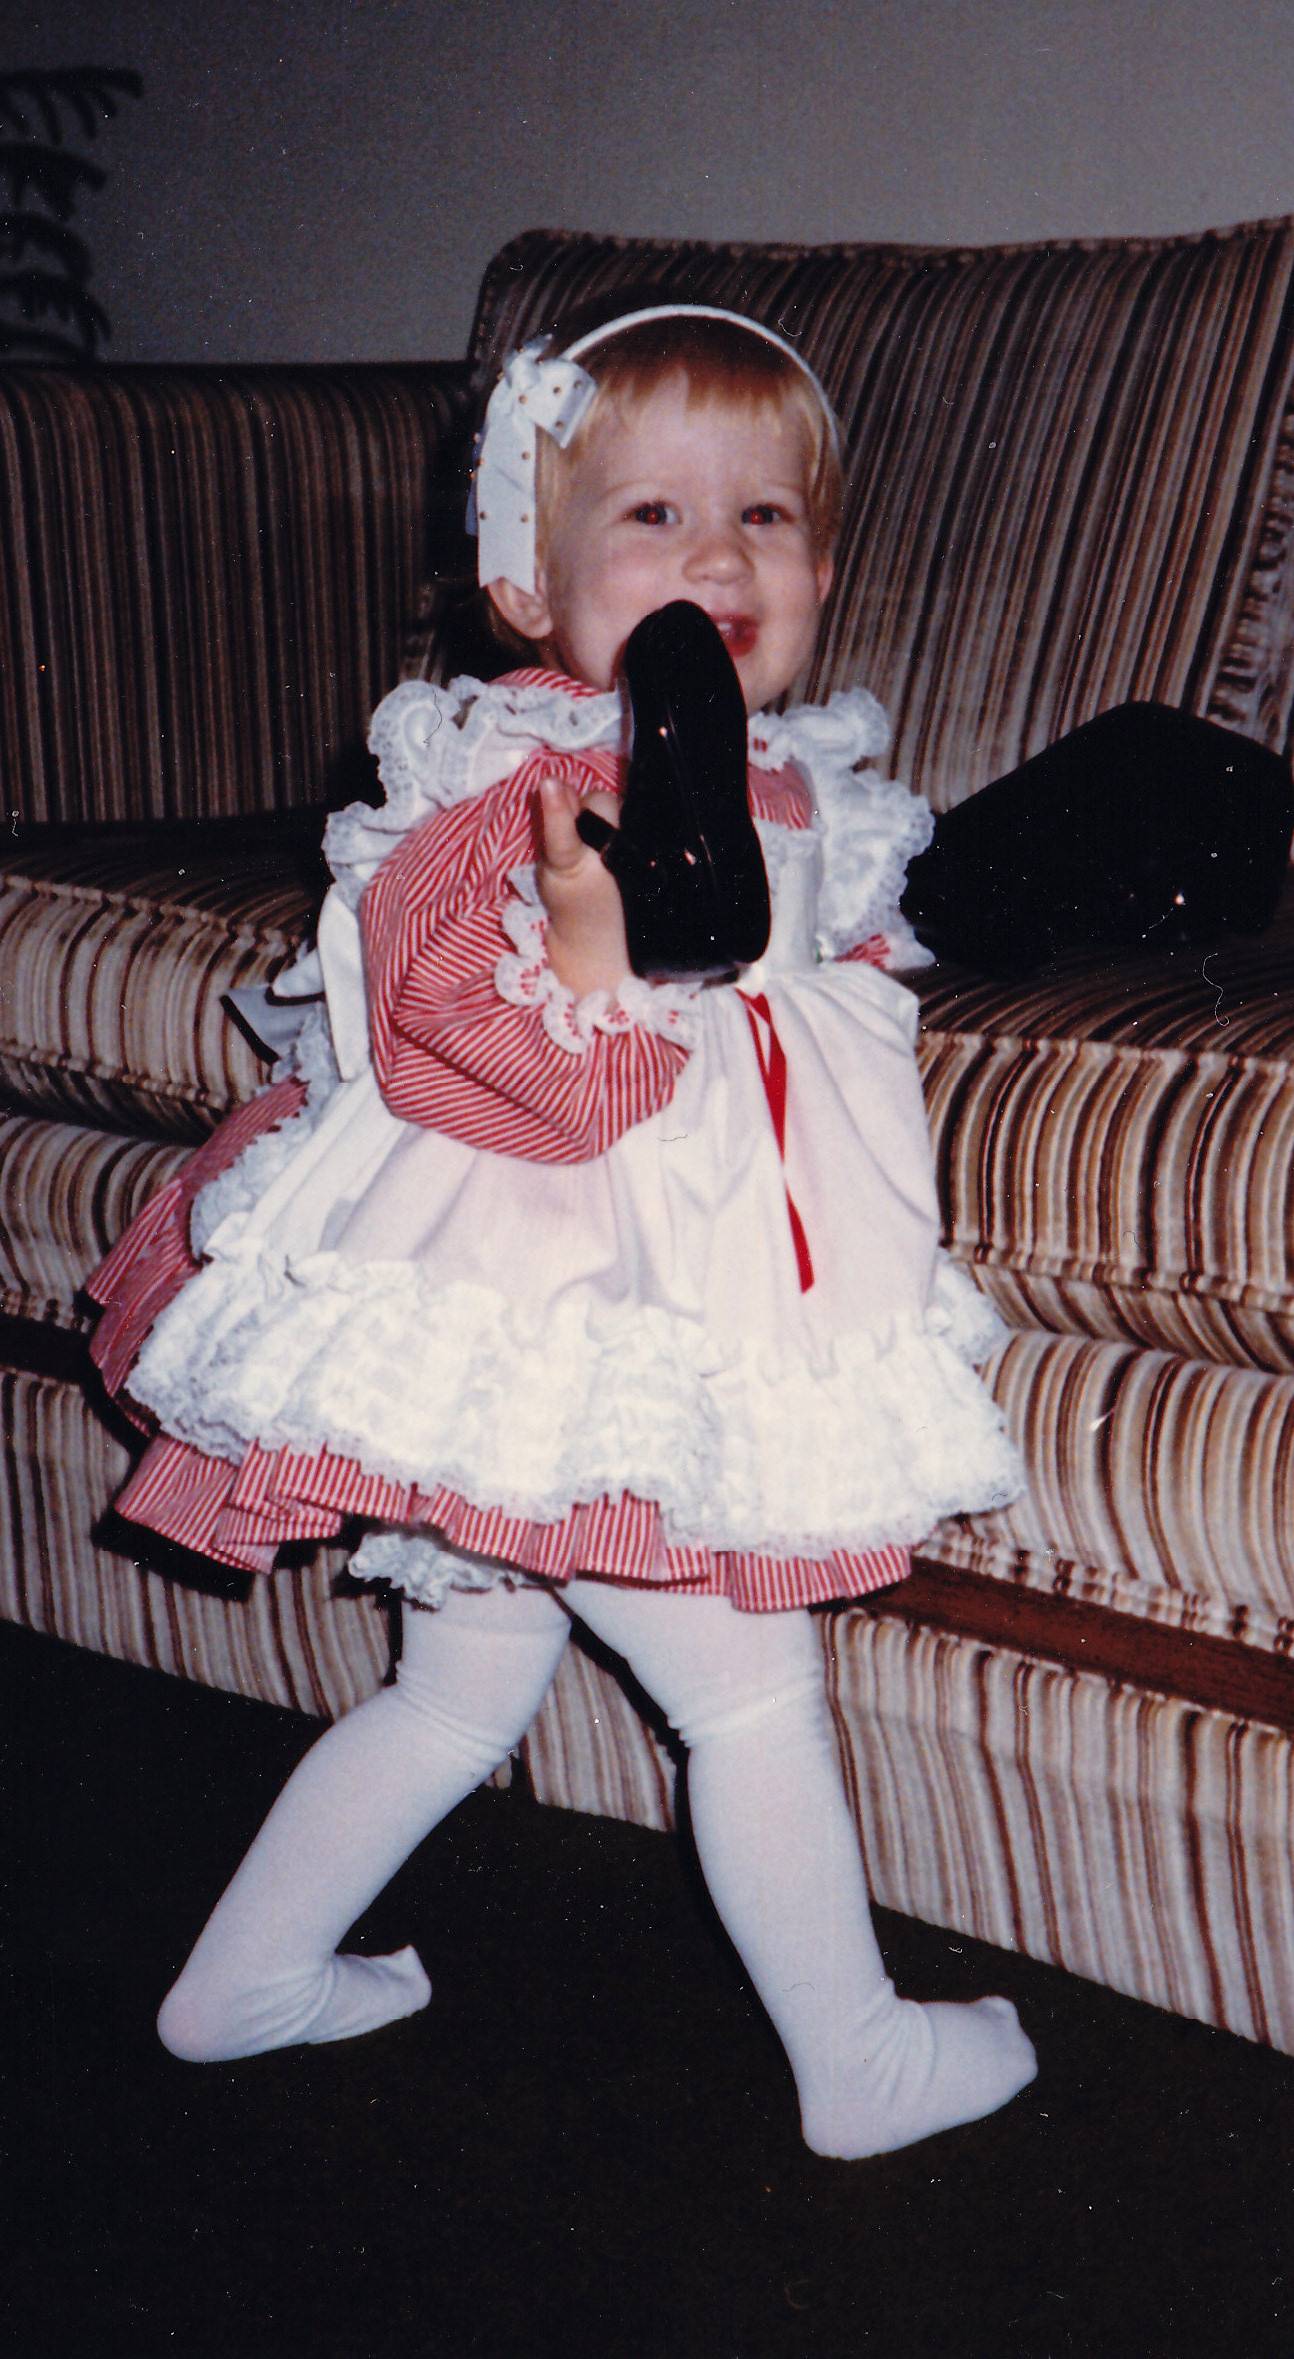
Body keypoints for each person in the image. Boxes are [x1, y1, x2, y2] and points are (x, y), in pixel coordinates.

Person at [87, 304, 1035, 2159]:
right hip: (573, 1312)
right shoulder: (528, 782)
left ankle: (244, 1983)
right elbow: (448, 1025)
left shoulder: (784, 776)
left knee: (462, 1689)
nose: (715, 558)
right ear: (527, 582)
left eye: (765, 517)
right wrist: (592, 972)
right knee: (747, 1696)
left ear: (821, 572)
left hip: (677, 1285)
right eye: (652, 516)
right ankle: (855, 2059)